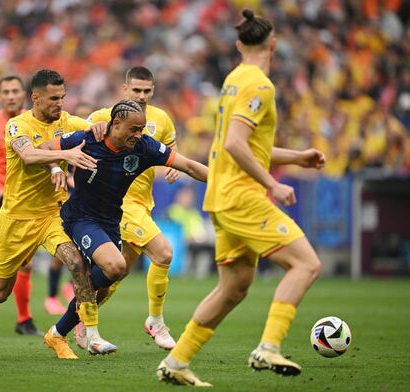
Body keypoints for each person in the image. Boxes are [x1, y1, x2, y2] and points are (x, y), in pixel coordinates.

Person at [156, 9, 325, 387]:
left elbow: (241, 142)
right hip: (241, 196)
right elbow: (234, 144)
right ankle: (268, 346)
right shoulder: (259, 85)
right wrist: (273, 184)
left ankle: (177, 361)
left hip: (221, 195)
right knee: (306, 265)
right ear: (274, 44)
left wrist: (297, 157)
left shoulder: (233, 80)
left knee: (233, 287)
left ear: (237, 45)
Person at [41, 99, 208, 359]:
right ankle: (88, 331)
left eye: (141, 129)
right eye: (133, 129)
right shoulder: (89, 139)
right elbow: (47, 147)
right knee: (116, 266)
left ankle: (57, 333)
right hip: (81, 218)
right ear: (115, 124)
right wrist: (55, 165)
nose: (138, 135)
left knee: (106, 284)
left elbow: (187, 165)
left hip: (110, 221)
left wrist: (222, 183)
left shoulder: (144, 147)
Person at [0, 69, 106, 356]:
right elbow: (28, 155)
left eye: (62, 97)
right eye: (53, 98)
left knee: (77, 263)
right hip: (16, 219)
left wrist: (99, 125)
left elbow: (92, 122)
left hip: (51, 214)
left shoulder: (66, 121)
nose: (59, 104)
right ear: (35, 98)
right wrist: (65, 155)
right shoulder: (16, 125)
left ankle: (91, 332)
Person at [81, 66, 180, 350]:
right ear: (125, 90)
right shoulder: (103, 116)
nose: (142, 96)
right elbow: (76, 134)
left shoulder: (161, 119)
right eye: (136, 90)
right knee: (163, 253)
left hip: (143, 204)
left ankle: (79, 320)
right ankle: (156, 322)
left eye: (147, 91)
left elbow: (172, 148)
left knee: (115, 275)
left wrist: (175, 169)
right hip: (119, 205)